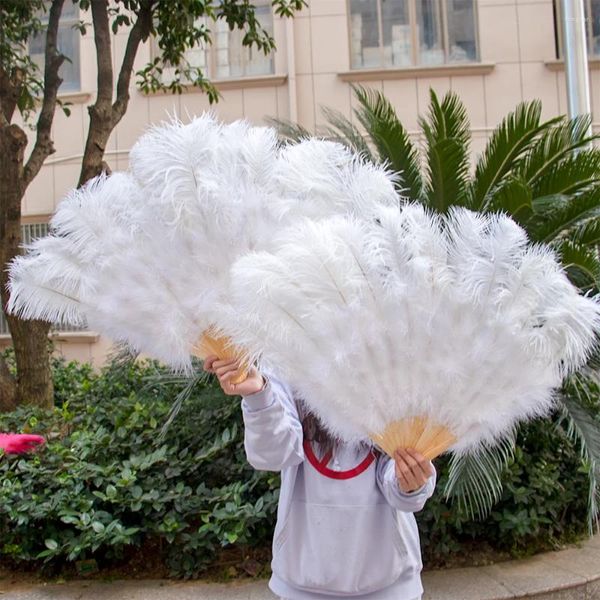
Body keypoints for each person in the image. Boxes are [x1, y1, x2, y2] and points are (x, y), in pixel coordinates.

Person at [204, 356, 436, 600]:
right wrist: (258, 396)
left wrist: (409, 483)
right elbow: (273, 455)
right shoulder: (285, 350)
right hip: (302, 582)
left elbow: (400, 482)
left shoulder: (391, 357)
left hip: (390, 584)